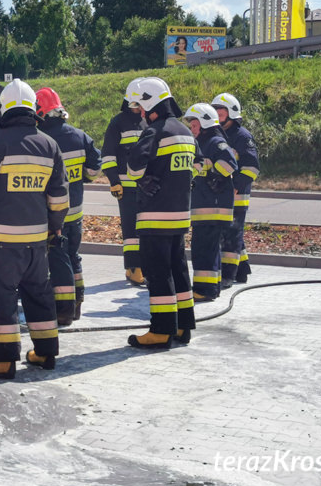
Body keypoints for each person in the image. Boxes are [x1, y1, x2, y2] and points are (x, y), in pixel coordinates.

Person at [0, 79, 69, 379]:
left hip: (0, 241)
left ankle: (3, 360)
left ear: (4, 108)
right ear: (33, 109)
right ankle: (45, 353)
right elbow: (59, 198)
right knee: (39, 295)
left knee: (2, 298)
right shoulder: (50, 145)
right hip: (36, 241)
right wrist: (55, 228)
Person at [126, 77, 196, 349]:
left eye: (141, 107)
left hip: (155, 216)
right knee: (179, 270)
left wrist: (142, 179)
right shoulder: (186, 132)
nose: (141, 113)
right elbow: (198, 165)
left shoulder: (154, 131)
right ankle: (182, 327)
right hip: (180, 216)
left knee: (158, 273)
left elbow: (133, 167)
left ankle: (161, 331)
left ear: (151, 104)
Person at [35, 87, 100, 325]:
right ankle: (77, 304)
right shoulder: (80, 136)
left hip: (54, 214)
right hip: (77, 212)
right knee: (74, 256)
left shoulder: (41, 140)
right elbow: (94, 170)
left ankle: (63, 311)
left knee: (57, 258)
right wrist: (81, 177)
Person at [184, 104, 237, 302]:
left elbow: (230, 164)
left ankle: (205, 289)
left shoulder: (216, 142)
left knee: (205, 249)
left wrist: (214, 173)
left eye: (195, 125)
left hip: (213, 208)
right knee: (206, 248)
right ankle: (210, 287)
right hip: (205, 206)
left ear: (205, 123)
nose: (192, 130)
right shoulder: (202, 143)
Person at [211, 93, 260, 287]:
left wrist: (236, 187)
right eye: (215, 110)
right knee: (231, 232)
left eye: (221, 111)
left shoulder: (242, 136)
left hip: (237, 195)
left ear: (231, 113)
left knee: (231, 234)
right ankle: (242, 270)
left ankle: (227, 276)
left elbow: (252, 167)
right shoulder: (218, 134)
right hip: (223, 195)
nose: (217, 114)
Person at [101, 78, 146, 286]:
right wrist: (114, 181)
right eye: (134, 104)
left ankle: (144, 266)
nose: (137, 108)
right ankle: (133, 268)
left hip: (147, 187)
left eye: (140, 104)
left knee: (146, 228)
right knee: (130, 229)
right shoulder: (118, 122)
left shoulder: (148, 122)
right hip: (126, 189)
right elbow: (108, 155)